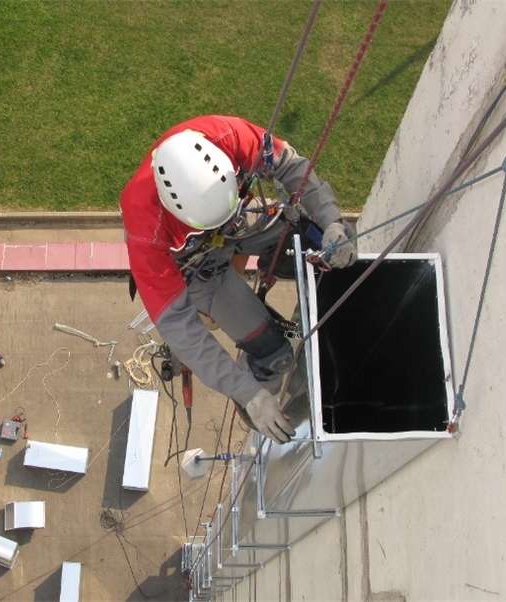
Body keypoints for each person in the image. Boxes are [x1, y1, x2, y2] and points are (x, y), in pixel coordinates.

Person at [119, 115, 357, 444]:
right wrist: (249, 394)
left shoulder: (223, 136)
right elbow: (181, 330)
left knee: (330, 240)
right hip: (199, 266)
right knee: (275, 358)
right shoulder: (147, 230)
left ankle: (315, 288)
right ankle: (260, 395)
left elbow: (290, 165)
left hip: (238, 223)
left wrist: (331, 221)